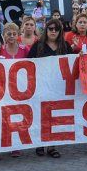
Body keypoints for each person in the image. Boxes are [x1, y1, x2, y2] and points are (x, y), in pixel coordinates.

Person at [27, 19, 70, 159]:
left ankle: (52, 146)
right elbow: (27, 64)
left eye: (56, 29)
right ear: (46, 30)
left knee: (55, 117)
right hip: (41, 86)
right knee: (40, 115)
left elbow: (73, 63)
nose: (53, 31)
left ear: (60, 31)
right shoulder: (38, 45)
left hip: (58, 87)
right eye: (50, 28)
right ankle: (39, 144)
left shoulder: (65, 46)